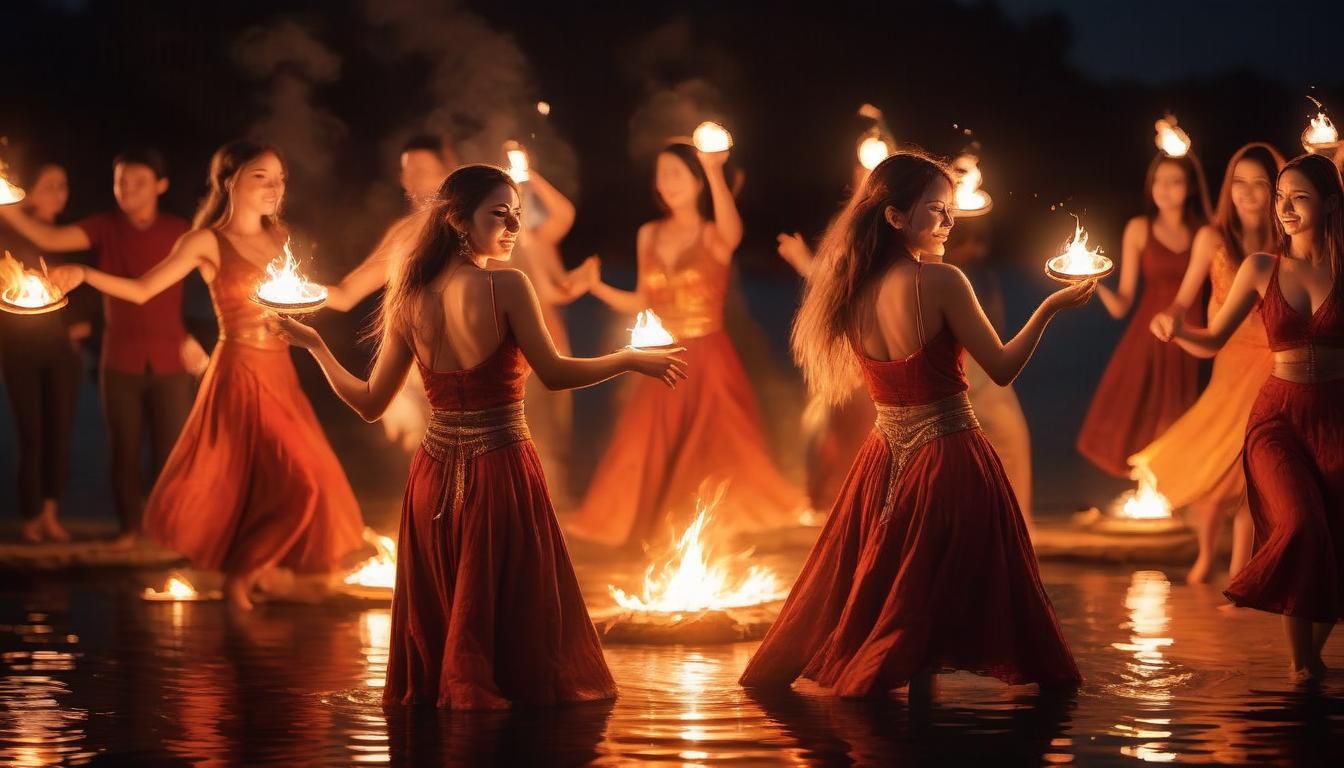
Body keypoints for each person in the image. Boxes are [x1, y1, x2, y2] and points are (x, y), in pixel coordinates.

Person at [272, 164, 686, 708]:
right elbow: (557, 374)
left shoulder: (410, 295)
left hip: (432, 478)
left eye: (517, 213)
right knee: (508, 628)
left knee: (455, 616)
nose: (514, 225)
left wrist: (317, 347)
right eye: (500, 214)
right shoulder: (506, 285)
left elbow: (370, 403)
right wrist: (628, 359)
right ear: (458, 220)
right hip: (501, 469)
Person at [740, 151, 1087, 698]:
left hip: (882, 459)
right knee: (942, 597)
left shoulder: (850, 288)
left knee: (902, 592)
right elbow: (1000, 368)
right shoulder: (941, 280)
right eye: (936, 210)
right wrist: (1049, 308)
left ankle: (905, 729)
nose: (949, 222)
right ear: (896, 216)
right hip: (949, 455)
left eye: (950, 211)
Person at [52, 140, 365, 610]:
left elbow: (336, 296)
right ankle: (240, 585)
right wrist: (84, 274)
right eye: (262, 176)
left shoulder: (282, 241)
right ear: (230, 180)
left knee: (297, 482)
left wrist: (399, 258)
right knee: (300, 482)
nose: (275, 188)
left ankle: (249, 595)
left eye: (280, 178)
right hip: (239, 372)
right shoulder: (206, 242)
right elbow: (142, 290)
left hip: (281, 371)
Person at [1155, 153, 1344, 682]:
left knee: (1337, 535)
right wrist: (1177, 330)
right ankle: (1299, 661)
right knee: (1302, 524)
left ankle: (1310, 661)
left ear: (1330, 203)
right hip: (1277, 418)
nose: (1283, 208)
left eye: (1298, 197)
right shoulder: (1262, 267)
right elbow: (1213, 339)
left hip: (1336, 416)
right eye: (1280, 197)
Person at [569, 141, 807, 549]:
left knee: (713, 446)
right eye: (662, 175)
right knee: (647, 448)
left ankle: (702, 533)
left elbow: (733, 235)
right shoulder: (649, 234)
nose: (668, 184)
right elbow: (643, 300)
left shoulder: (714, 234)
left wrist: (715, 168)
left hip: (709, 355)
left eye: (678, 174)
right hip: (664, 356)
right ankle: (654, 532)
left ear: (697, 182)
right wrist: (597, 287)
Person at [0, 148, 193, 545]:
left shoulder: (181, 231)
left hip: (171, 355)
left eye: (138, 181)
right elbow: (47, 236)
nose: (127, 189)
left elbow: (206, 283)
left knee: (171, 452)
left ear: (161, 186)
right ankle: (129, 530)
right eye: (120, 181)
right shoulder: (105, 226)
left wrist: (200, 338)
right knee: (122, 451)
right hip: (119, 358)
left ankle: (168, 530)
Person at [1131, 143, 1283, 584]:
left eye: (1260, 184)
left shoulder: (1285, 243)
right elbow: (1183, 301)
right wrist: (1169, 321)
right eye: (1239, 183)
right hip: (1229, 360)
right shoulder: (1212, 239)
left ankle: (1240, 574)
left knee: (1250, 473)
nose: (1248, 193)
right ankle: (1204, 562)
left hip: (1271, 362)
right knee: (1215, 469)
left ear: (1277, 191)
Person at [1077, 151, 1212, 477]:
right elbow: (1122, 304)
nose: (1165, 188)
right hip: (1146, 335)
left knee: (1183, 415)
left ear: (1191, 187)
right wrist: (1089, 282)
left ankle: (1176, 493)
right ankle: (1147, 494)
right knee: (1142, 415)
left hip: (1190, 335)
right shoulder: (1138, 229)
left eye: (1175, 181)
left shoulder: (1205, 232)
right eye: (1159, 181)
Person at [0, 162, 85, 542]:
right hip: (19, 347)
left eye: (62, 184)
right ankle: (31, 517)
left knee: (59, 430)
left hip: (60, 351)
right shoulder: (8, 236)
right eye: (49, 184)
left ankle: (51, 514)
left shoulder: (69, 236)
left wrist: (83, 326)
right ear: (28, 191)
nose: (58, 192)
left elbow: (87, 285)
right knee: (31, 431)